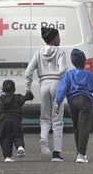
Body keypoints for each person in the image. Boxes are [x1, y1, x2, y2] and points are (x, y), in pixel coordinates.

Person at [55, 48, 93, 163]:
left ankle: (80, 153)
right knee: (84, 127)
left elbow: (62, 89)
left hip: (72, 102)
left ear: (73, 62)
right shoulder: (89, 75)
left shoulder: (68, 75)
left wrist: (58, 102)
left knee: (77, 127)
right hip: (84, 101)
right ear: (84, 62)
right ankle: (81, 154)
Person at [25, 27, 68, 162]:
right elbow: (63, 71)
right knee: (57, 120)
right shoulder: (60, 52)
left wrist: (28, 88)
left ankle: (43, 138)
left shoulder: (38, 53)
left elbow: (28, 71)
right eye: (58, 37)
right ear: (54, 38)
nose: (60, 39)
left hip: (43, 85)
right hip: (56, 85)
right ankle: (56, 154)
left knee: (45, 118)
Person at [0, 79, 34, 163]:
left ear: (3, 89)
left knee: (5, 138)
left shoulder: (0, 99)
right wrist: (28, 92)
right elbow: (29, 97)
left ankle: (8, 156)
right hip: (16, 120)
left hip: (4, 121)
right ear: (15, 89)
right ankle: (20, 147)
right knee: (18, 135)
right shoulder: (18, 97)